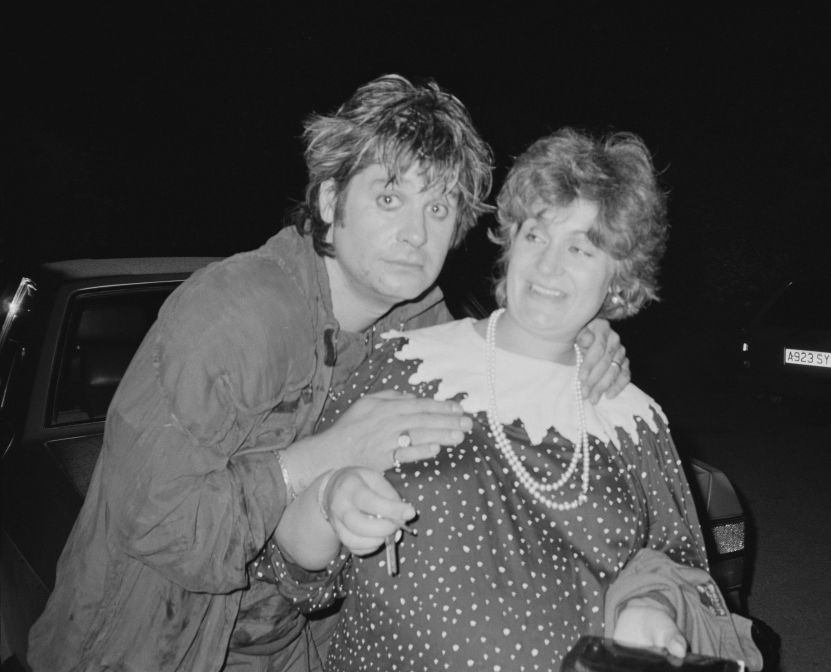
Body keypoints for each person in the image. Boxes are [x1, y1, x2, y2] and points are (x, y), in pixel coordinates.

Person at [28, 76, 630, 671]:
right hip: (147, 647)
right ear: (329, 201)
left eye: (438, 207)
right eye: (389, 198)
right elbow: (159, 526)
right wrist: (320, 458)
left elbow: (502, 366)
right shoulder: (235, 317)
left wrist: (578, 335)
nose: (415, 234)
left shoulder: (421, 328)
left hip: (301, 647)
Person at [258, 128, 764, 671]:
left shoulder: (636, 423)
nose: (549, 266)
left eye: (581, 247)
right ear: (509, 244)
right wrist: (330, 499)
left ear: (618, 279)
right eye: (535, 236)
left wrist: (652, 607)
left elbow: (687, 574)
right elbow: (288, 561)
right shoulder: (404, 364)